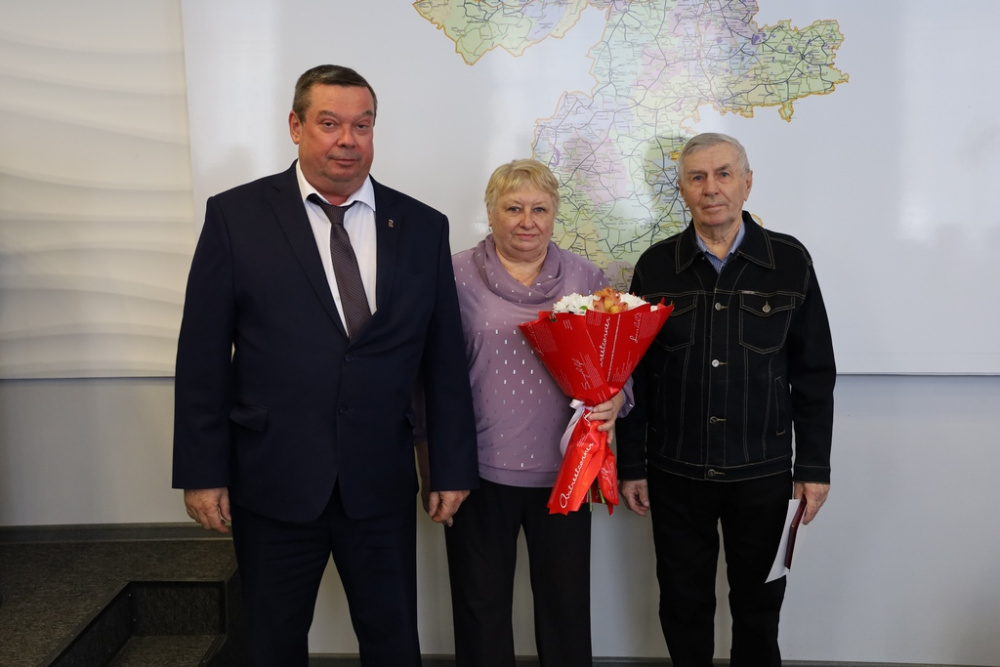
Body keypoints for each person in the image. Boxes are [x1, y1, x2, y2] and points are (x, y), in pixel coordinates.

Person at [172, 64, 478, 667]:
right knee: (271, 643)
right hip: (274, 479)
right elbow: (202, 355)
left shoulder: (422, 226)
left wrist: (450, 466)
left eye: (362, 125)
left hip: (380, 481)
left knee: (393, 643)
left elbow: (443, 361)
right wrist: (202, 472)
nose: (348, 140)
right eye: (330, 124)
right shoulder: (236, 217)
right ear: (296, 126)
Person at [616, 133, 836, 666]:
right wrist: (631, 465)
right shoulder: (655, 267)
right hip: (675, 471)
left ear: (747, 183)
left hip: (762, 472)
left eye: (723, 174)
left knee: (760, 607)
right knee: (682, 605)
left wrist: (812, 467)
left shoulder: (789, 260)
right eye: (697, 177)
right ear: (682, 189)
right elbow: (634, 379)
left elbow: (813, 374)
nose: (710, 188)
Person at [424, 158, 631, 666]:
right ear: (491, 212)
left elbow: (616, 365)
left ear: (555, 213)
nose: (527, 221)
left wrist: (617, 398)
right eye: (513, 208)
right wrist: (434, 470)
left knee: (565, 612)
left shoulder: (586, 277)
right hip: (477, 473)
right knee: (480, 611)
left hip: (565, 472)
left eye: (539, 209)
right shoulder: (452, 275)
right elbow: (427, 374)